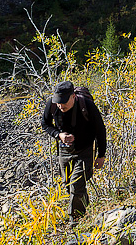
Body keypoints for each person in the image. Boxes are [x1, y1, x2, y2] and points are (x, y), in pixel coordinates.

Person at [40, 81, 107, 222]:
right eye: (58, 102)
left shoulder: (87, 105)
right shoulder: (52, 105)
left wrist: (101, 155)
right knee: (68, 186)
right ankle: (86, 210)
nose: (60, 105)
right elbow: (45, 124)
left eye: (63, 102)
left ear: (73, 96)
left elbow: (101, 130)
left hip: (85, 150)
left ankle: (75, 220)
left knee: (76, 185)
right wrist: (59, 135)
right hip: (64, 151)